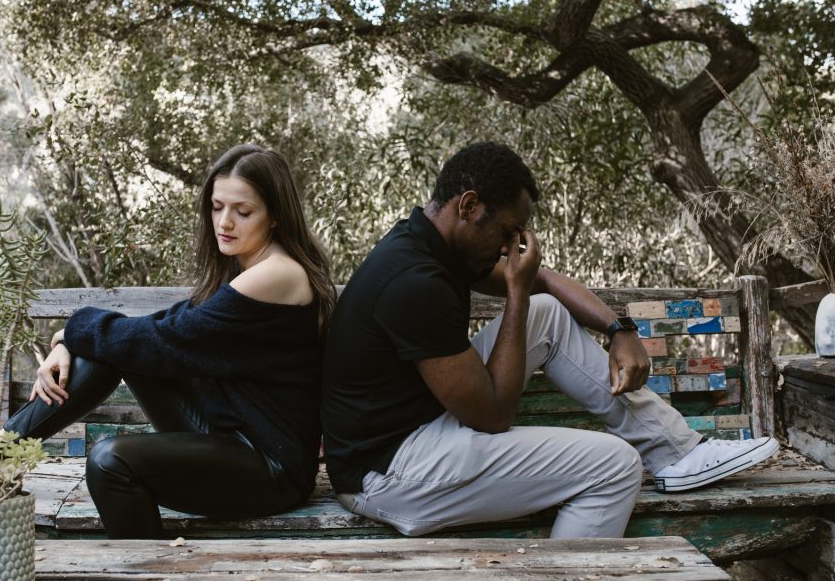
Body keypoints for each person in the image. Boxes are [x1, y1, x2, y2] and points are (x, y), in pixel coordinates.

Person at [321, 141, 778, 538]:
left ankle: (676, 453)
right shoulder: (414, 280)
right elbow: (494, 414)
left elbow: (545, 283)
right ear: (468, 206)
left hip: (417, 429)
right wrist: (516, 291)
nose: (508, 249)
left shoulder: (435, 244)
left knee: (546, 312)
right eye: (506, 233)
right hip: (389, 474)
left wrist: (620, 330)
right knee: (614, 467)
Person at [4, 144, 336, 538]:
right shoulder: (246, 265)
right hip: (226, 434)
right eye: (216, 207)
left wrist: (72, 329)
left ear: (276, 215)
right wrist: (67, 342)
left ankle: (147, 576)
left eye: (242, 212)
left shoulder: (276, 274)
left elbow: (169, 337)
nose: (224, 222)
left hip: (270, 466)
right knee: (118, 346)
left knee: (110, 460)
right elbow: (161, 328)